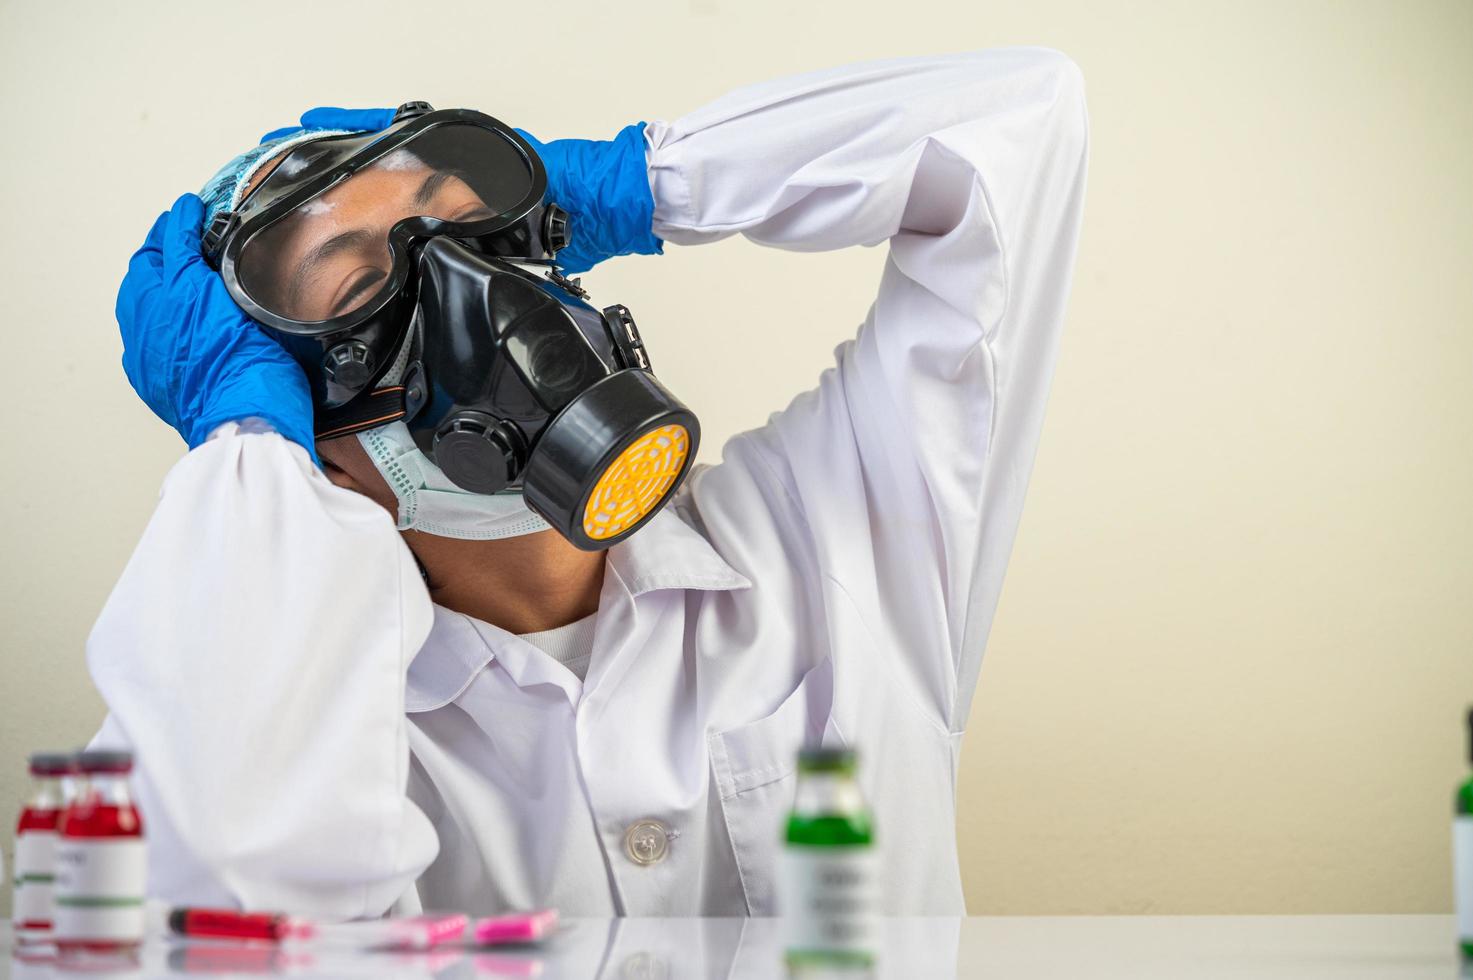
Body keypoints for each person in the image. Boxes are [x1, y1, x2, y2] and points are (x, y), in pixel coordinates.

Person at [89, 48, 1089, 918]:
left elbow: (1020, 119)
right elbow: (214, 898)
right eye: (363, 289)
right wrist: (249, 438)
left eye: (483, 234)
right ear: (321, 439)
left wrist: (643, 183)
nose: (487, 299)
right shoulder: (290, 712)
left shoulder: (829, 540)